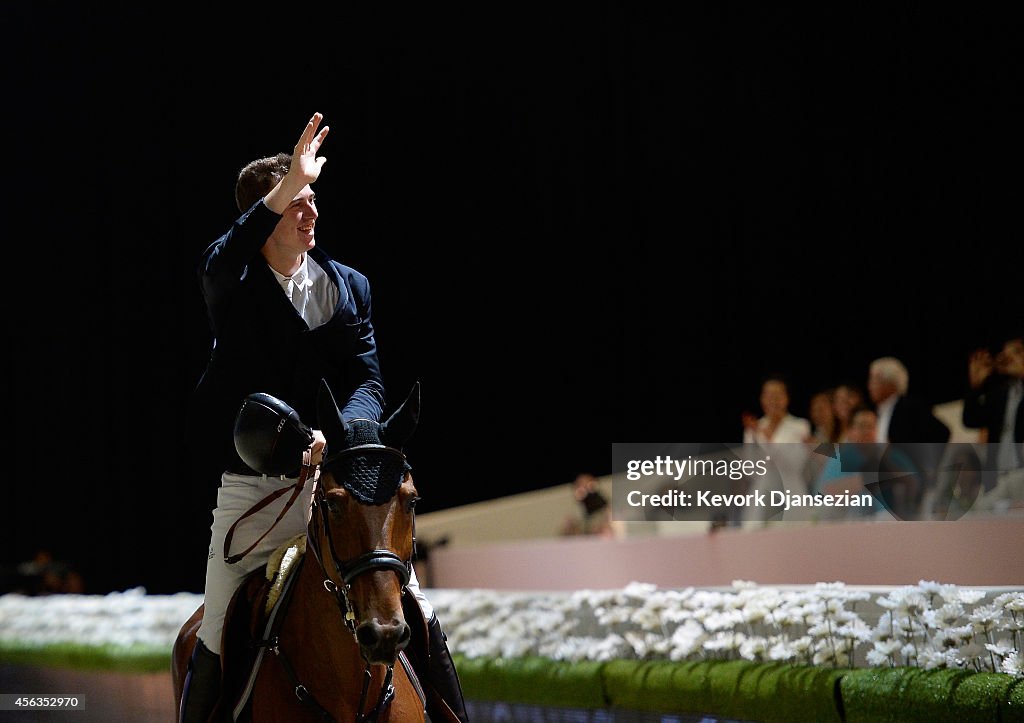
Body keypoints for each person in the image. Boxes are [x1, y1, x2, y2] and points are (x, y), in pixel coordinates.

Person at [180, 113, 466, 722]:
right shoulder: (232, 283)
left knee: (418, 610)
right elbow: (218, 260)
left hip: (334, 485)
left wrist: (342, 437)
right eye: (294, 205)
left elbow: (366, 379)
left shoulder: (350, 286)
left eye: (312, 200)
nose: (310, 213)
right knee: (213, 630)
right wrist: (294, 440)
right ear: (261, 220)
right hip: (255, 489)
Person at [962, 329, 1024, 478]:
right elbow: (971, 420)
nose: (1009, 359)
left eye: (1017, 352)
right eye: (1006, 354)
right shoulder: (1001, 394)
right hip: (999, 473)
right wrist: (975, 388)